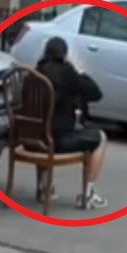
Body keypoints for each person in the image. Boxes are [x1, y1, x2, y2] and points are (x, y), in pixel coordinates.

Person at [34, 36, 108, 210]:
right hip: (59, 140)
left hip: (34, 139)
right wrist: (80, 72)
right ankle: (88, 193)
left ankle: (44, 187)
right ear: (65, 54)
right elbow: (96, 93)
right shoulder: (67, 73)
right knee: (101, 138)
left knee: (45, 130)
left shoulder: (35, 72)